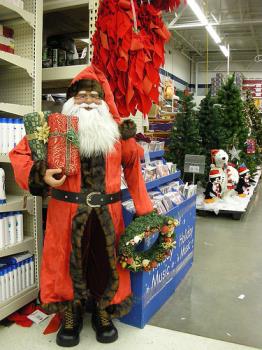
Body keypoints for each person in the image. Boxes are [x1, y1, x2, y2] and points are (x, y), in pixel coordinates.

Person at [9, 64, 154, 347]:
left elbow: (134, 168)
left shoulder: (116, 134)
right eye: (81, 96)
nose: (88, 101)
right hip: (66, 212)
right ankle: (70, 312)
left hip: (108, 213)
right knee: (64, 265)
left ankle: (102, 311)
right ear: (71, 100)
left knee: (105, 262)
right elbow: (20, 155)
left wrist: (145, 211)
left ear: (103, 100)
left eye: (93, 96)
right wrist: (41, 174)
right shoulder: (53, 129)